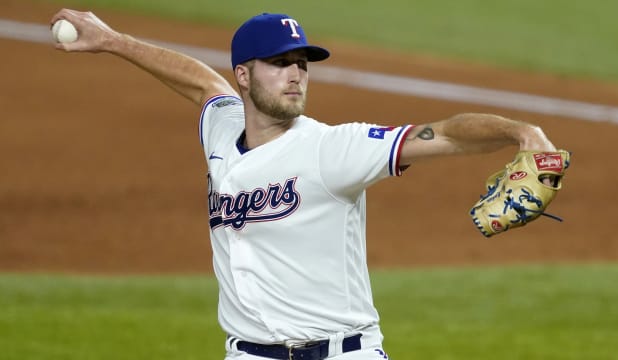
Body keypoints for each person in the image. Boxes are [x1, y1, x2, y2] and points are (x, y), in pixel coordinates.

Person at [51, 9, 558, 360]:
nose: (296, 74)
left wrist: (521, 132)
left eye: (301, 63)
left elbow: (443, 133)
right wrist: (113, 41)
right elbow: (200, 83)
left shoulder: (334, 149)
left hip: (344, 352)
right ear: (245, 77)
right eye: (279, 64)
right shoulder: (223, 128)